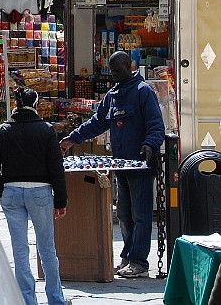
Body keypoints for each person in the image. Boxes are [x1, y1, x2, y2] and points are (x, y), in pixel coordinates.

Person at [60, 51, 165, 279]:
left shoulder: (143, 92)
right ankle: (128, 256)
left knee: (141, 215)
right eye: (113, 70)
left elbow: (157, 125)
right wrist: (73, 138)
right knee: (125, 215)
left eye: (119, 69)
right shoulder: (113, 95)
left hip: (140, 166)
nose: (115, 74)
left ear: (130, 65)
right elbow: (97, 123)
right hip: (121, 166)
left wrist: (150, 145)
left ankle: (139, 262)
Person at [0, 87, 68, 305]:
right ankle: (56, 299)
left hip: (12, 191)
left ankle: (26, 299)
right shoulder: (46, 130)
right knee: (47, 247)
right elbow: (56, 168)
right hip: (40, 191)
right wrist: (61, 200)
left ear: (15, 105)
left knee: (19, 248)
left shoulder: (2, 130)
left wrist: (2, 189)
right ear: (37, 105)